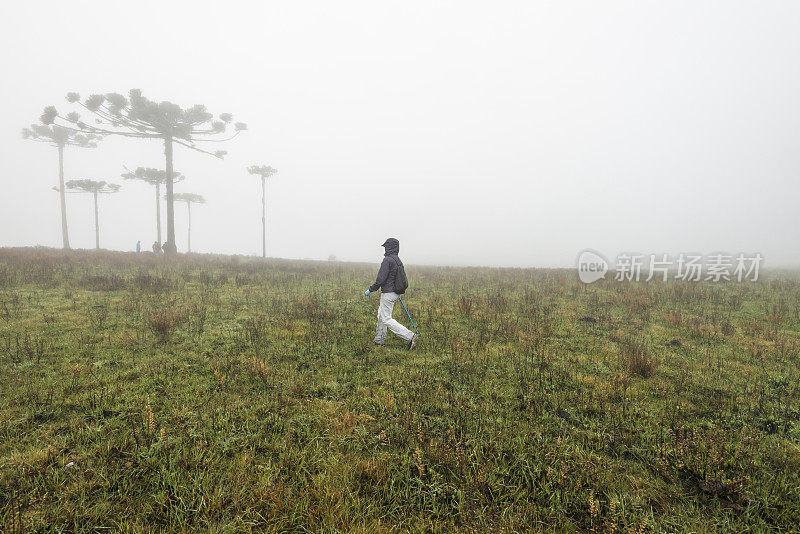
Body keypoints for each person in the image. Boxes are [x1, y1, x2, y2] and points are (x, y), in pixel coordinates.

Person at [365, 237, 418, 348]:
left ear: (390, 247)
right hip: (395, 292)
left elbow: (381, 279)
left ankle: (410, 336)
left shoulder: (387, 260)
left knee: (386, 318)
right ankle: (379, 340)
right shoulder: (397, 260)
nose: (385, 249)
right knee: (381, 315)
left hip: (388, 293)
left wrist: (371, 289)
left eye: (386, 247)